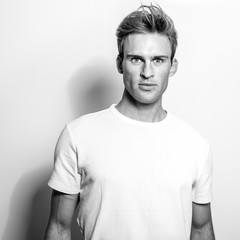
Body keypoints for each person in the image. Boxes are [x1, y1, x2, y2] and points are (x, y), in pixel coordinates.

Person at [44, 4, 215, 240]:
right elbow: (59, 228)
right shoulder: (78, 135)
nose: (147, 72)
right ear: (119, 63)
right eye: (136, 59)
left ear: (172, 66)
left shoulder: (196, 145)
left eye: (158, 60)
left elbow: (201, 229)